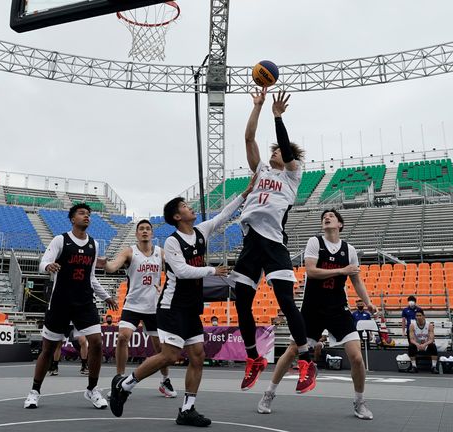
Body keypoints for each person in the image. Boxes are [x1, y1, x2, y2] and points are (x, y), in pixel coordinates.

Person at [109, 178, 255, 427]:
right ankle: (125, 384)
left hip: (191, 307)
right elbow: (182, 271)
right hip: (172, 306)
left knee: (198, 356)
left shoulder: (202, 232)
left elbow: (224, 216)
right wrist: (212, 271)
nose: (191, 208)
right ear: (177, 216)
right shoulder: (172, 242)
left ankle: (187, 409)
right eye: (186, 206)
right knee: (170, 355)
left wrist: (245, 194)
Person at [230, 88, 314, 393]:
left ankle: (305, 359)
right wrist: (258, 106)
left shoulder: (292, 174)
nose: (273, 152)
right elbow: (249, 139)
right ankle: (254, 358)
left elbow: (288, 155)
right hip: (251, 242)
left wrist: (277, 117)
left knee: (285, 301)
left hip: (274, 243)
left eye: (278, 150)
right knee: (241, 303)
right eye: (274, 150)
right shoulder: (261, 169)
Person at [257, 209, 375, 420]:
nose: (326, 218)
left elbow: (356, 280)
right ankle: (269, 393)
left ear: (340, 224)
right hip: (313, 308)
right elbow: (311, 271)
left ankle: (359, 402)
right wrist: (341, 271)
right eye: (324, 217)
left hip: (338, 308)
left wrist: (368, 303)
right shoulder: (315, 242)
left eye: (331, 216)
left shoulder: (349, 250)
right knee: (293, 350)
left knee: (357, 358)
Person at [24, 203, 118, 409]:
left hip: (84, 301)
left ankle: (92, 389)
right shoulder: (61, 240)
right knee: (48, 349)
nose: (87, 217)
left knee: (96, 343)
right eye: (82, 213)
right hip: (60, 301)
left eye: (89, 214)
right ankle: (34, 391)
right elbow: (43, 262)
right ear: (72, 219)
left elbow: (91, 277)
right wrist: (48, 266)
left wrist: (106, 297)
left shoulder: (94, 244)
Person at [99, 220, 177, 398]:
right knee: (122, 337)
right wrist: (106, 264)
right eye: (141, 229)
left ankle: (165, 380)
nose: (144, 231)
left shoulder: (160, 252)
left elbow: (177, 269)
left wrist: (164, 288)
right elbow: (113, 266)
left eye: (148, 229)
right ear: (136, 234)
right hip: (133, 304)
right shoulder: (129, 251)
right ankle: (119, 379)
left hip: (154, 307)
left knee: (161, 349)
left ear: (152, 233)